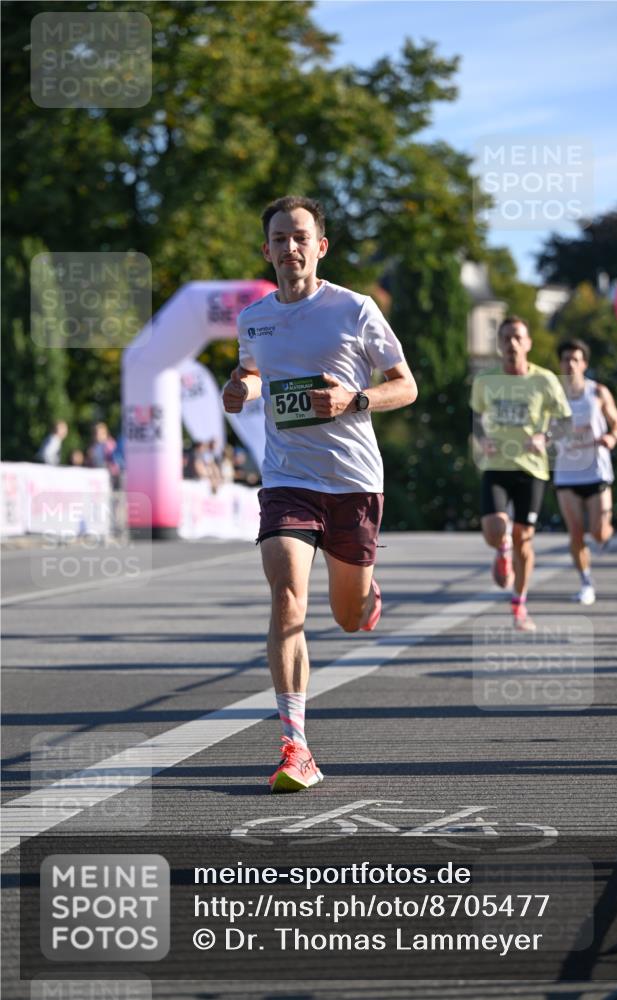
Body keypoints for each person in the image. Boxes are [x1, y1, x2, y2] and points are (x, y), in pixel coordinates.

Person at [222, 195, 417, 793]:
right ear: (268, 250)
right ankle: (296, 746)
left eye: (300, 237)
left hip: (354, 480)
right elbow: (253, 371)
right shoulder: (253, 318)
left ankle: (364, 596)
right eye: (279, 239)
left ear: (320, 246)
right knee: (286, 599)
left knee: (348, 617)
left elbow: (405, 386)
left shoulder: (354, 310)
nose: (290, 248)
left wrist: (354, 400)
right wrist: (241, 388)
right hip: (288, 479)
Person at [471, 316, 571, 632]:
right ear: (499, 345)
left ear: (527, 343)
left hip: (532, 469)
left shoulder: (544, 381)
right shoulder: (485, 380)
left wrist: (545, 437)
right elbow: (476, 416)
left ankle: (519, 604)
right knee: (494, 529)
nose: (511, 343)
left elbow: (564, 421)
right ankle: (501, 550)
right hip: (497, 465)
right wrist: (481, 438)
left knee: (524, 540)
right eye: (505, 338)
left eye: (517, 337)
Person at [554, 339, 617, 605]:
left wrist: (612, 438)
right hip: (566, 473)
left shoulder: (598, 392)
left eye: (575, 359)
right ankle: (585, 582)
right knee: (575, 532)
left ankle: (605, 533)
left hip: (597, 471)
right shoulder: (553, 396)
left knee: (597, 532)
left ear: (584, 363)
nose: (570, 364)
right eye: (565, 359)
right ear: (560, 364)